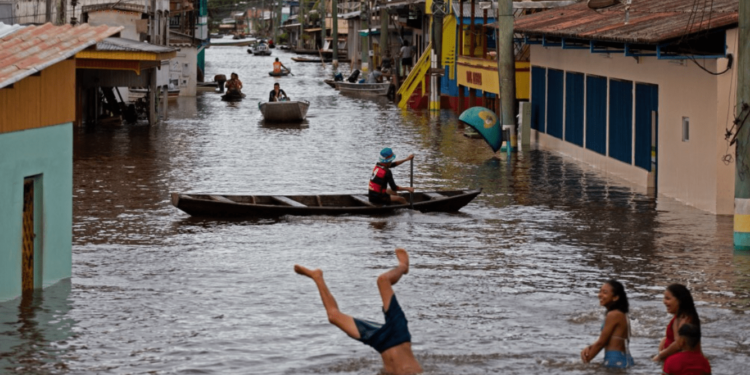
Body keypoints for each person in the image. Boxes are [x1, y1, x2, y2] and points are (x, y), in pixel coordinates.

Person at [294, 248, 423, 375]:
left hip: (380, 342)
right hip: (398, 332)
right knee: (383, 280)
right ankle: (403, 267)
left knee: (333, 316)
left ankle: (317, 277)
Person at [580, 280, 635, 368]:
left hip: (615, 361)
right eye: (600, 291)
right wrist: (590, 347)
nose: (600, 295)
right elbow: (606, 339)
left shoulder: (614, 314)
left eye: (605, 292)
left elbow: (602, 342)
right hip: (620, 359)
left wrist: (584, 364)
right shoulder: (619, 313)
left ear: (615, 297)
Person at [654, 284, 702, 363]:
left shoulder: (685, 319)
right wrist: (661, 351)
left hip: (680, 364)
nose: (664, 302)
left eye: (668, 298)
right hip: (670, 360)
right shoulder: (678, 317)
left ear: (680, 300)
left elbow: (679, 344)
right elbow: (669, 338)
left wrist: (660, 356)